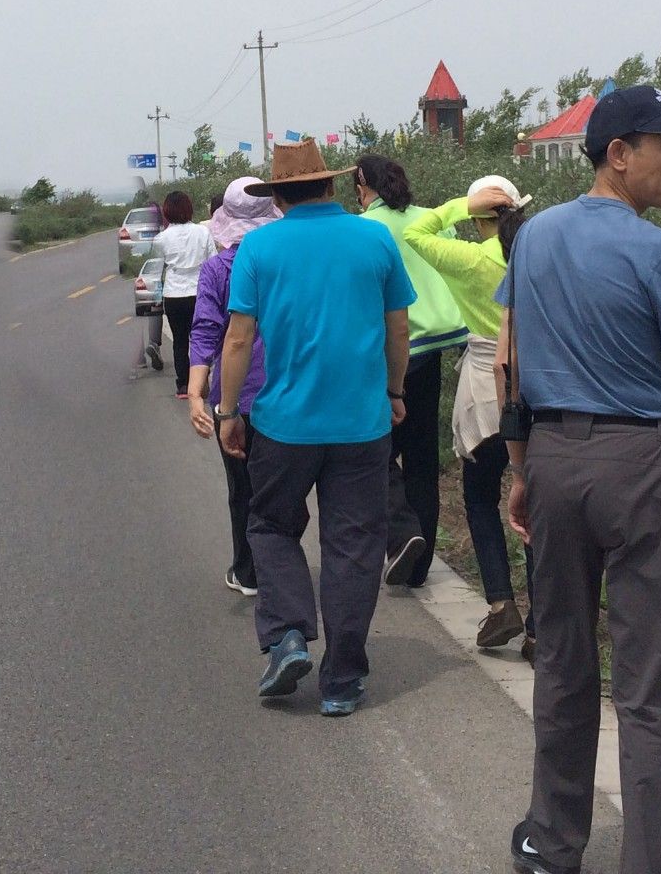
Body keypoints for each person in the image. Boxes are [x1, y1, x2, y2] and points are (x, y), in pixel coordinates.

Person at [497, 86, 661, 874]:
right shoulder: (659, 253)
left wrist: (519, 469)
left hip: (554, 461)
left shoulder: (534, 237)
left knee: (565, 663)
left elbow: (510, 363)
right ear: (619, 154)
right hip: (641, 468)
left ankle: (551, 842)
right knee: (649, 686)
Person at [215, 141, 415, 718]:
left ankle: (288, 636)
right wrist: (395, 392)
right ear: (331, 185)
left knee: (272, 526)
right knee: (354, 545)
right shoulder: (373, 238)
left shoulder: (259, 246)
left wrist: (230, 413)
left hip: (284, 424)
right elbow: (396, 328)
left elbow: (237, 338)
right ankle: (342, 681)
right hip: (361, 422)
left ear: (276, 195)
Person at [399, 173, 536, 655]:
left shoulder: (471, 258)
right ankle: (541, 623)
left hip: (485, 382)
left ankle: (501, 604)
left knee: (480, 497)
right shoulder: (534, 252)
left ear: (478, 219)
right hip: (539, 382)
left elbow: (416, 234)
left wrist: (462, 202)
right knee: (537, 502)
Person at [353, 153, 469, 591]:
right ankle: (419, 569)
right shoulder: (432, 219)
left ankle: (403, 534)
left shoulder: (366, 228)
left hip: (390, 349)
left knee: (377, 449)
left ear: (364, 186)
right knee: (422, 456)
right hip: (438, 344)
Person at [186, 176, 281, 597]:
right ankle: (281, 562)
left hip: (235, 395)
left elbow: (206, 332)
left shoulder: (218, 269)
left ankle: (248, 570)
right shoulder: (286, 261)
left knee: (241, 487)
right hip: (286, 390)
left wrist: (195, 394)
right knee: (280, 486)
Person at [153, 189, 217, 400]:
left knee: (180, 341)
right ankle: (203, 384)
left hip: (174, 295)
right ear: (189, 209)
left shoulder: (161, 239)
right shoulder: (203, 232)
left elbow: (157, 268)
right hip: (200, 293)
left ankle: (183, 386)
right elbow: (213, 261)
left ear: (167, 212)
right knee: (202, 339)